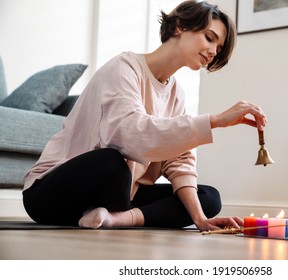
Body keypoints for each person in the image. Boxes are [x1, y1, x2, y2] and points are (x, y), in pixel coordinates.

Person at [22, 0, 267, 232]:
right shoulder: (124, 67)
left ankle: (115, 218)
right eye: (209, 38)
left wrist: (200, 220)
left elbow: (179, 161)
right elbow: (129, 136)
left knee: (209, 198)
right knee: (112, 162)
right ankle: (111, 213)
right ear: (181, 26)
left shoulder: (176, 94)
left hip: (120, 193)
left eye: (219, 47)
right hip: (51, 192)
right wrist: (214, 121)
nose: (213, 50)